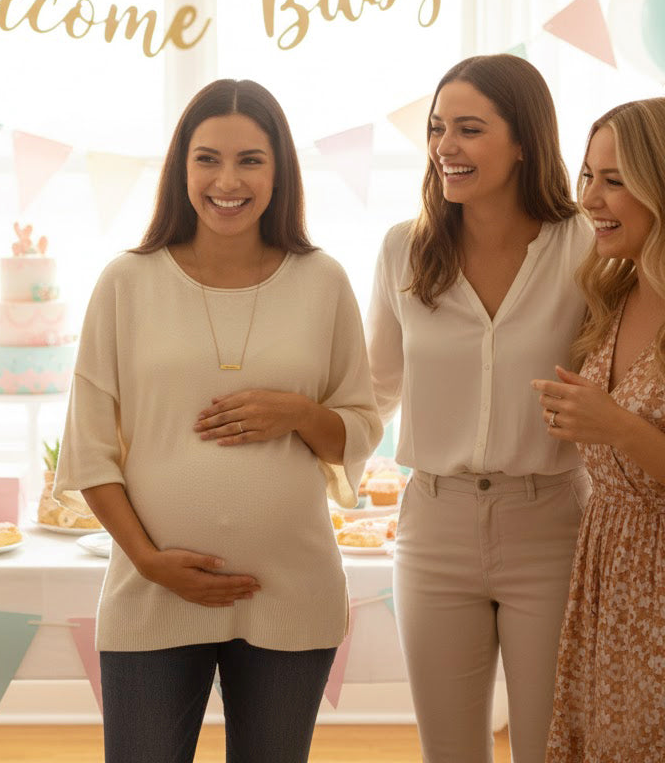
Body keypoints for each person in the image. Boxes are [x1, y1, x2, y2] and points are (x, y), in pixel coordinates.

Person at [54, 78, 382, 763]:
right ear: (181, 169)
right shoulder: (127, 282)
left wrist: (295, 412)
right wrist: (149, 562)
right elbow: (88, 451)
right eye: (207, 158)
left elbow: (359, 429)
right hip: (151, 592)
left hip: (292, 591)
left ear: (279, 171)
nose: (227, 180)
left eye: (250, 160)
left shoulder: (323, 281)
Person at [366, 54, 592, 763]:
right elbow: (374, 388)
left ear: (523, 139)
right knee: (450, 753)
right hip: (435, 527)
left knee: (548, 749)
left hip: (551, 524)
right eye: (437, 129)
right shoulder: (405, 250)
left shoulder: (586, 247)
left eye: (469, 129)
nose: (445, 148)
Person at [537, 98, 665, 762]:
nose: (591, 198)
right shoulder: (614, 295)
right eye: (587, 176)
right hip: (606, 579)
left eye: (614, 179)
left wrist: (613, 425)